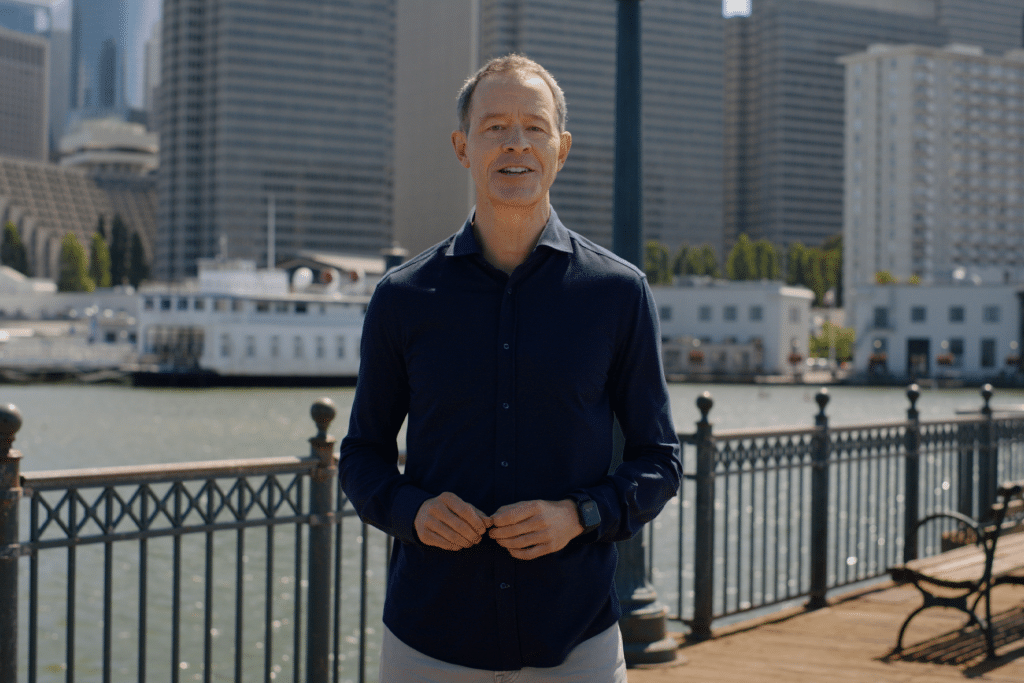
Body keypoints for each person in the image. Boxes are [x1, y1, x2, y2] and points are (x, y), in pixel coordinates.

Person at [338, 54, 681, 682]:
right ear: (463, 147)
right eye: (495, 126)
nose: (515, 143)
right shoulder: (402, 297)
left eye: (535, 127)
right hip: (428, 642)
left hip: (576, 640)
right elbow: (361, 455)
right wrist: (411, 510)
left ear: (561, 148)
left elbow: (659, 459)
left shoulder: (618, 293)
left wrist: (579, 516)